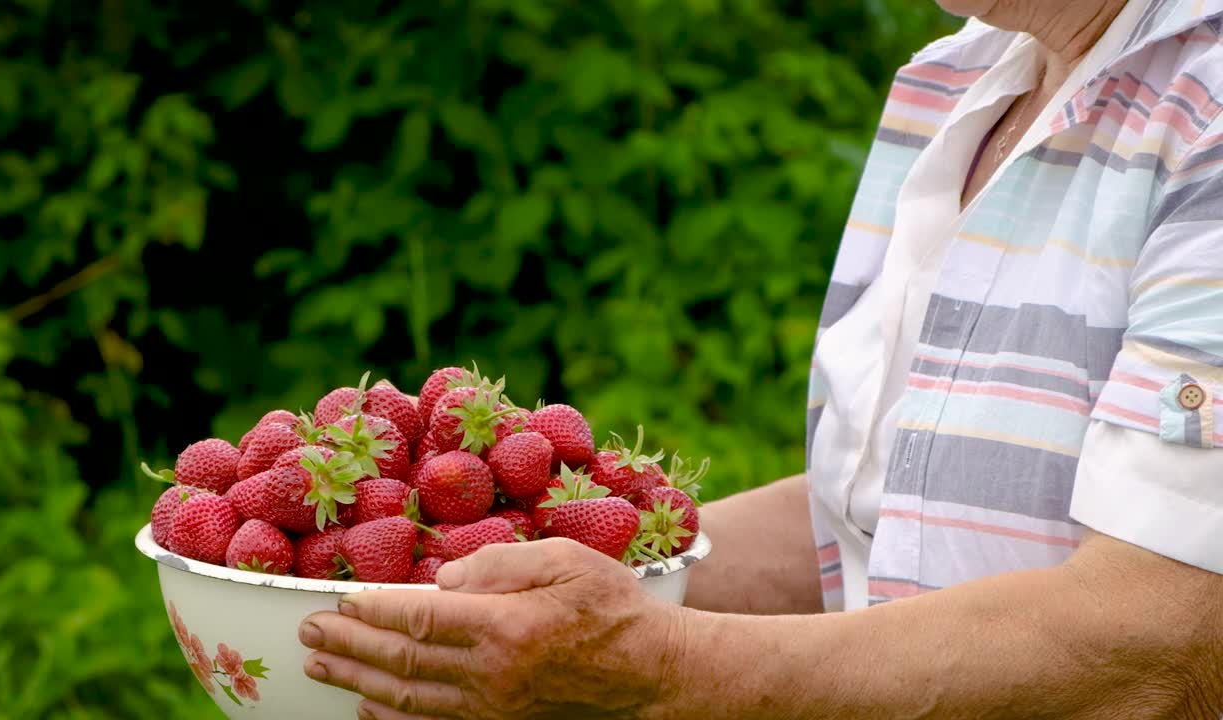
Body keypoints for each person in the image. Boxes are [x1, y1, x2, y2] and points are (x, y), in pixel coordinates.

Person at [296, 0, 1223, 716]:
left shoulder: (1209, 110)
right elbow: (876, 521)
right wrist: (509, 553)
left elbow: (1157, 631)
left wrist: (650, 667)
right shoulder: (955, 81)